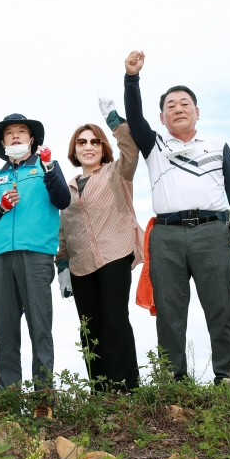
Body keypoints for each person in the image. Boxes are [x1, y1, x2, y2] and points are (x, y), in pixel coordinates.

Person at [123, 50, 230, 386]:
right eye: (170, 105)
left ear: (197, 112)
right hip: (166, 235)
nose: (178, 109)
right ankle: (172, 380)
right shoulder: (153, 145)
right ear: (161, 117)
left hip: (211, 231)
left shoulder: (216, 145)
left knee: (220, 306)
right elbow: (134, 116)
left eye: (185, 103)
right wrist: (132, 78)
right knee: (169, 311)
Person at [0, 114, 70, 420]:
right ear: (2, 143)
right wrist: (0, 206)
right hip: (1, 257)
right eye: (9, 133)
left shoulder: (46, 167)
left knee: (40, 328)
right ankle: (9, 401)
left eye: (21, 132)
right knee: (6, 331)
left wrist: (49, 167)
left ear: (31, 139)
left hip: (36, 255)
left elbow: (63, 199)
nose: (15, 136)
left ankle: (44, 401)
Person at [56, 99, 145, 393]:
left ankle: (126, 389)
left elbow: (131, 150)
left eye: (95, 142)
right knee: (89, 327)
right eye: (82, 142)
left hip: (114, 254)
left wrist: (115, 122)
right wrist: (62, 265)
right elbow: (64, 231)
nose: (88, 147)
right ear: (74, 150)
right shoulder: (67, 189)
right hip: (81, 264)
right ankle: (100, 393)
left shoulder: (117, 172)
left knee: (115, 319)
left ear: (103, 147)